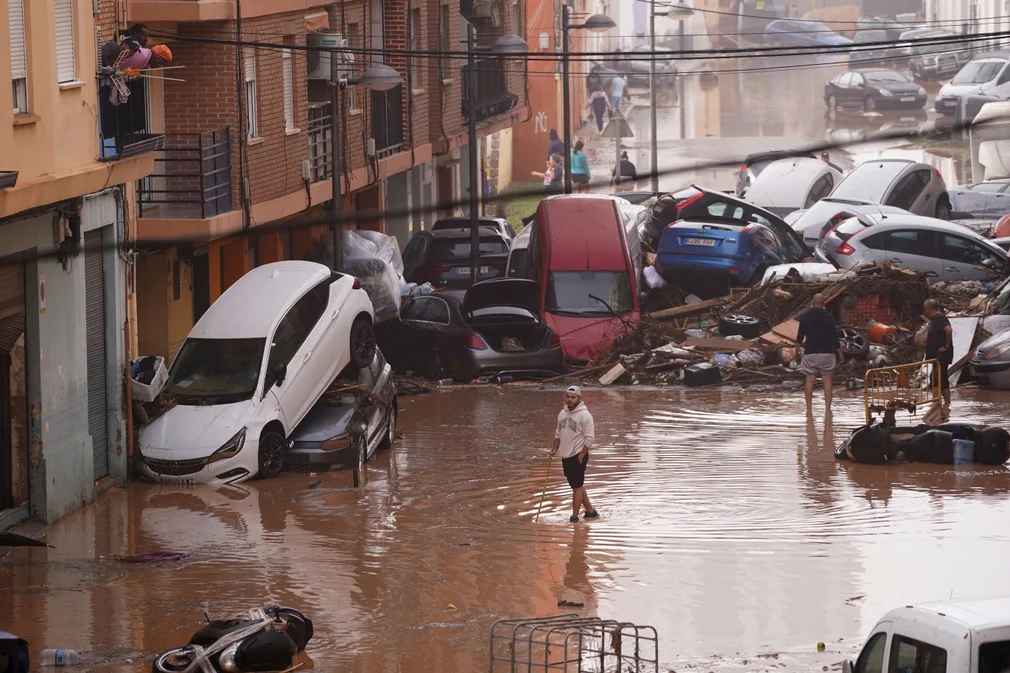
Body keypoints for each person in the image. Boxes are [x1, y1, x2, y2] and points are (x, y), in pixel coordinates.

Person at [551, 386, 598, 523]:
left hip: (578, 455)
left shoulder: (585, 415)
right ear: (564, 398)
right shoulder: (562, 414)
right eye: (568, 397)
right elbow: (557, 434)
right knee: (576, 485)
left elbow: (590, 438)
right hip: (565, 455)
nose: (570, 400)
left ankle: (574, 516)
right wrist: (554, 449)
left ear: (579, 399)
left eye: (573, 397)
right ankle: (590, 512)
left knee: (576, 486)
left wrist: (582, 455)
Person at [796, 293, 842, 417]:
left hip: (810, 352)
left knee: (810, 380)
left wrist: (797, 349)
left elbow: (799, 337)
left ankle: (809, 410)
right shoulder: (829, 317)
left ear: (812, 302)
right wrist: (840, 353)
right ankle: (827, 409)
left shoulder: (805, 316)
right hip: (827, 353)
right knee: (827, 381)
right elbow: (835, 337)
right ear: (824, 304)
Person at [923, 298, 953, 406]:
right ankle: (941, 403)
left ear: (929, 309)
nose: (925, 312)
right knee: (938, 378)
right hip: (937, 356)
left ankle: (941, 403)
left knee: (939, 378)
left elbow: (948, 330)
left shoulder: (939, 318)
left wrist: (946, 346)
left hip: (941, 355)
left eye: (925, 309)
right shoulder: (934, 319)